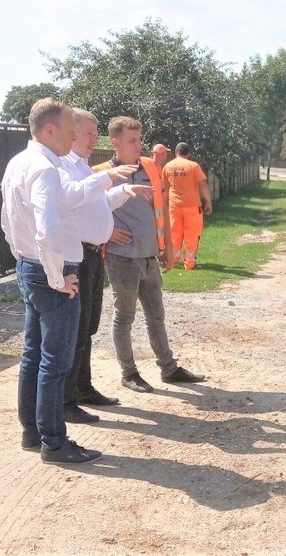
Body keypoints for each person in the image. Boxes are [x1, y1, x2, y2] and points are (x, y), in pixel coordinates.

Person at [0, 98, 101, 464]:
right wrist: (57, 277)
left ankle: (33, 433)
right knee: (54, 363)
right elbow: (47, 230)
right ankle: (55, 443)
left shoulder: (18, 163)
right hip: (50, 274)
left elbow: (8, 223)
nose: (75, 135)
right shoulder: (44, 168)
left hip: (29, 267)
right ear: (50, 130)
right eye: (70, 129)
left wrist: (23, 259)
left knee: (32, 356)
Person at [93, 117, 206, 393]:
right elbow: (86, 214)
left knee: (156, 315)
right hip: (121, 259)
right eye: (132, 140)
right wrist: (106, 234)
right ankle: (129, 373)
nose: (138, 144)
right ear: (115, 142)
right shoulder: (100, 173)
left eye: (139, 139)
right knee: (125, 316)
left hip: (148, 256)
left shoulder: (151, 168)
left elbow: (162, 208)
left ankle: (168, 369)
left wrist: (167, 247)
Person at [57, 108, 149, 423]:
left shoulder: (82, 166)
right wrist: (108, 177)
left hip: (93, 254)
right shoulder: (65, 167)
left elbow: (95, 206)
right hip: (77, 256)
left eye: (96, 133)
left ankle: (83, 388)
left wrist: (122, 192)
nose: (93, 138)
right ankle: (67, 399)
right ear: (70, 133)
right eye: (88, 133)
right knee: (77, 328)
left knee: (89, 325)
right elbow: (72, 201)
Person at [161, 141, 212, 270]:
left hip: (174, 206)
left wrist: (163, 204)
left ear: (175, 152)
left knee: (174, 233)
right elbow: (203, 185)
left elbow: (165, 188)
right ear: (188, 154)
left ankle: (173, 260)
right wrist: (208, 202)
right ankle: (189, 263)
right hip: (192, 206)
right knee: (192, 234)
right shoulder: (193, 166)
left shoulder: (167, 166)